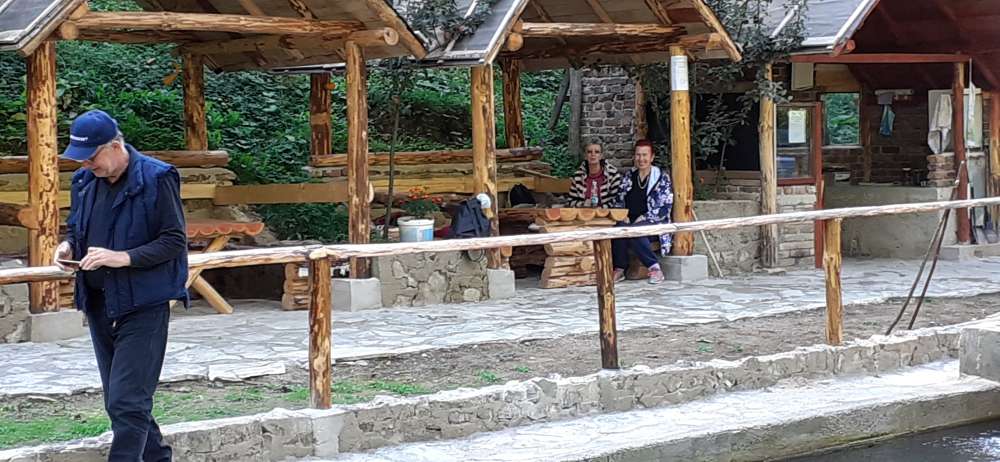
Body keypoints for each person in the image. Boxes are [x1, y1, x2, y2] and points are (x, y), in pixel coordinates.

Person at [53, 109, 188, 461]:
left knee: (127, 401)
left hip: (144, 303)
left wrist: (122, 257)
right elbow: (76, 229)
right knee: (122, 399)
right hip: (98, 300)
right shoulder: (83, 181)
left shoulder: (158, 177)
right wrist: (67, 247)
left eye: (91, 157)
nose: (86, 165)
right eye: (81, 159)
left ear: (115, 146)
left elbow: (174, 241)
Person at [612, 140, 673, 284]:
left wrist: (644, 217)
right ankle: (620, 269)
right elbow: (618, 200)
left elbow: (665, 207)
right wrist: (623, 215)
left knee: (636, 231)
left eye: (645, 155)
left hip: (654, 224)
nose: (641, 159)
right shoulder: (629, 176)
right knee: (618, 228)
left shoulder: (661, 177)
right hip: (630, 221)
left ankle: (655, 268)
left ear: (652, 157)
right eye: (638, 155)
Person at [566, 142, 622, 208]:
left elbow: (616, 200)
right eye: (589, 152)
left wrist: (601, 209)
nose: (593, 154)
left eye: (597, 152)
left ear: (601, 156)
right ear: (585, 156)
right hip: (584, 212)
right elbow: (571, 201)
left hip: (606, 213)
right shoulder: (578, 176)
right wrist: (583, 204)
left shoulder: (613, 174)